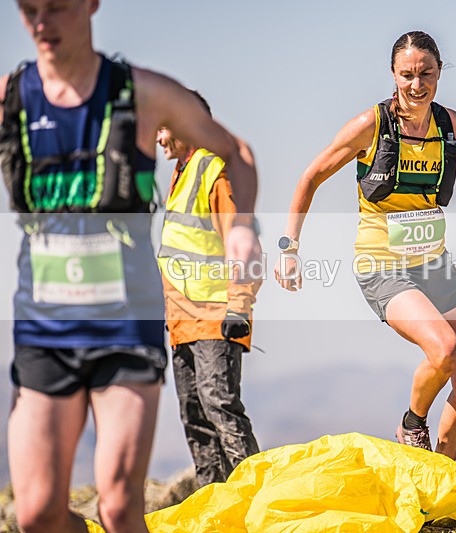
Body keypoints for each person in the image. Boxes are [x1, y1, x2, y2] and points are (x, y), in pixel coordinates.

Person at [0, 1, 260, 532]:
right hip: (46, 324)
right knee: (35, 514)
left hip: (127, 323)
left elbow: (237, 152)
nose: (43, 23)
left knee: (119, 506)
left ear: (91, 5)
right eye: (30, 10)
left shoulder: (143, 94)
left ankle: (250, 505)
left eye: (58, 7)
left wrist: (240, 227)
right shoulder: (12, 99)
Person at [274, 31, 456, 460]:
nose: (416, 84)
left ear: (440, 73)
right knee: (443, 350)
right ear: (393, 75)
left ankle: (437, 473)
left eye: (426, 73)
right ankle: (413, 422)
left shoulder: (452, 125)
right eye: (407, 75)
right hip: (381, 264)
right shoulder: (370, 125)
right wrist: (289, 248)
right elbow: (309, 177)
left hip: (433, 264)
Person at [156, 92, 261, 487]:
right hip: (182, 322)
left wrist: (239, 305)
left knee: (220, 407)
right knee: (195, 417)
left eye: (164, 128)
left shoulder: (212, 171)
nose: (159, 138)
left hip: (218, 316)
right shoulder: (181, 173)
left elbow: (246, 245)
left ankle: (257, 501)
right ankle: (213, 507)